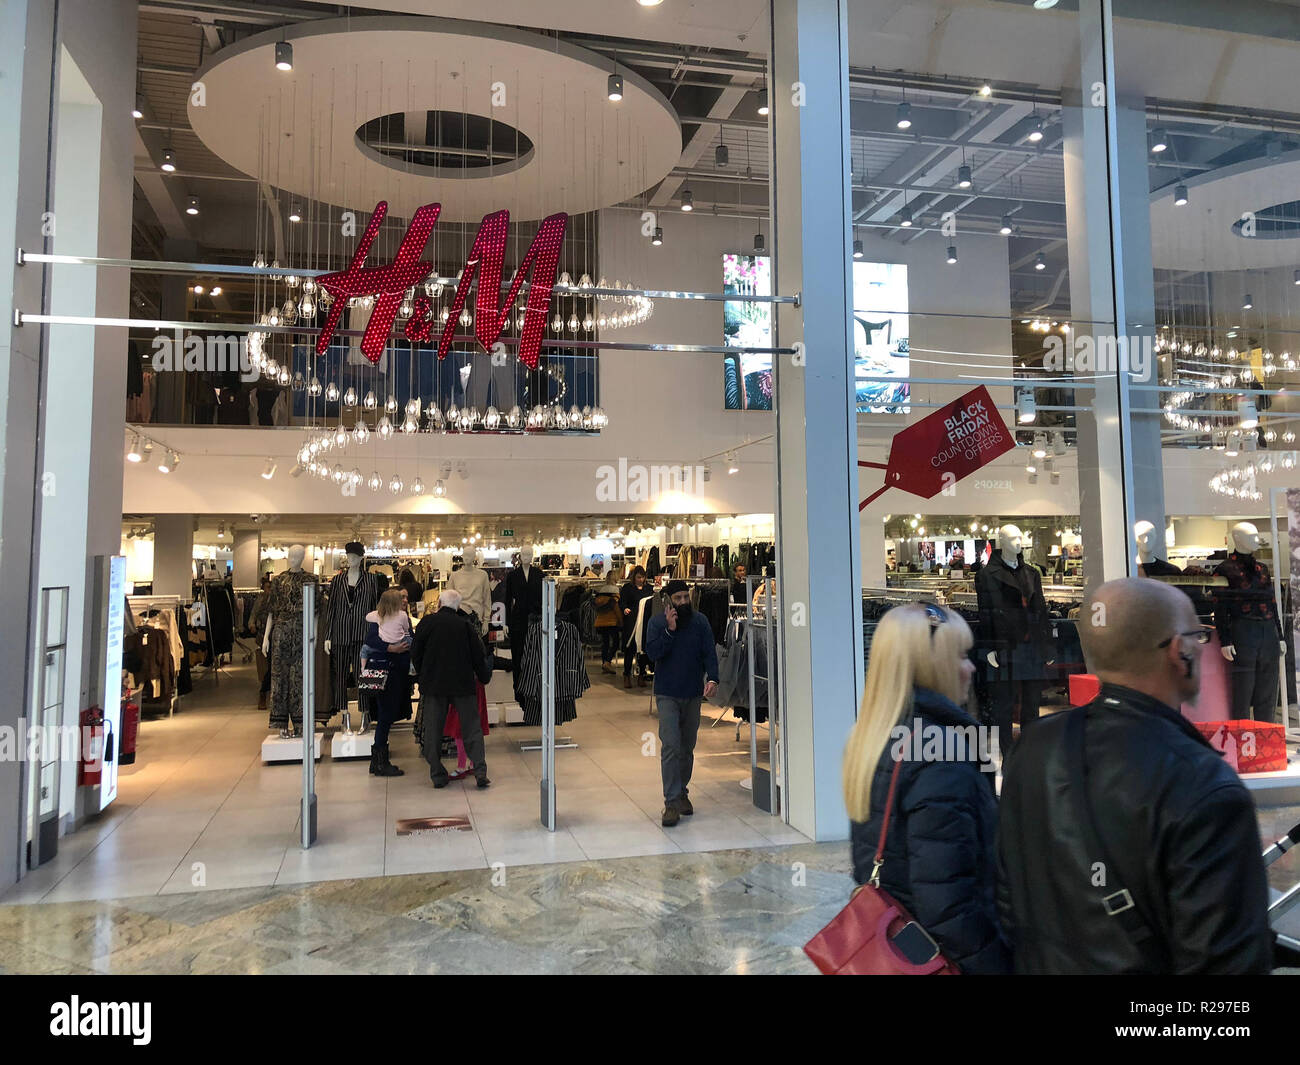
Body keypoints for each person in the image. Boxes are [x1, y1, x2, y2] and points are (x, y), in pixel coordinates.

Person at [997, 578, 1273, 974]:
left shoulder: (1034, 747)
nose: (1199, 645)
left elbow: (1009, 900)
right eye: (1196, 635)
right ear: (1180, 652)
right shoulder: (1202, 784)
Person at [842, 603, 1009, 974]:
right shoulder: (941, 751)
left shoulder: (873, 735)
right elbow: (948, 902)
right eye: (962, 656)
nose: (971, 668)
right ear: (932, 664)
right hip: (935, 957)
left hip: (892, 942)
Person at [645, 580, 719, 827]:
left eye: (685, 597)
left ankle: (682, 792)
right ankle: (671, 803)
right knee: (671, 746)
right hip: (667, 694)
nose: (683, 602)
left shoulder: (700, 622)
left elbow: (709, 651)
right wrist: (669, 630)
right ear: (667, 600)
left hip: (693, 693)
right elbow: (653, 653)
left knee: (687, 747)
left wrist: (713, 677)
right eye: (678, 598)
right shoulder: (656, 623)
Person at [412, 588, 492, 789]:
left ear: (439, 603)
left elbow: (416, 651)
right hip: (462, 684)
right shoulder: (465, 626)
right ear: (458, 606)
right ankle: (480, 771)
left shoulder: (427, 623)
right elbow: (478, 656)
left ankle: (437, 774)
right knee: (471, 728)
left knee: (433, 730)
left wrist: (422, 674)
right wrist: (484, 676)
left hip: (434, 684)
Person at [361, 588, 413, 777]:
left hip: (388, 669)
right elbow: (372, 640)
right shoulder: (392, 618)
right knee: (385, 714)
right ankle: (380, 760)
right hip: (389, 671)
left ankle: (378, 760)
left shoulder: (378, 618)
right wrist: (393, 648)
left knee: (385, 714)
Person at [619, 565, 654, 688]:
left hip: (644, 621)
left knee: (643, 649)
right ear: (634, 577)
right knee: (630, 649)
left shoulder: (649, 588)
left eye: (643, 577)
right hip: (631, 621)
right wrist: (625, 609)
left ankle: (641, 675)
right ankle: (626, 675)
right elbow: (622, 602)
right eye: (638, 577)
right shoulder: (627, 588)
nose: (641, 580)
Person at [593, 580, 621, 675]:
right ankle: (607, 662)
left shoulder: (598, 599)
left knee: (605, 643)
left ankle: (604, 663)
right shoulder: (614, 600)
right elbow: (617, 612)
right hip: (611, 623)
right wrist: (621, 622)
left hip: (600, 623)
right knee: (616, 642)